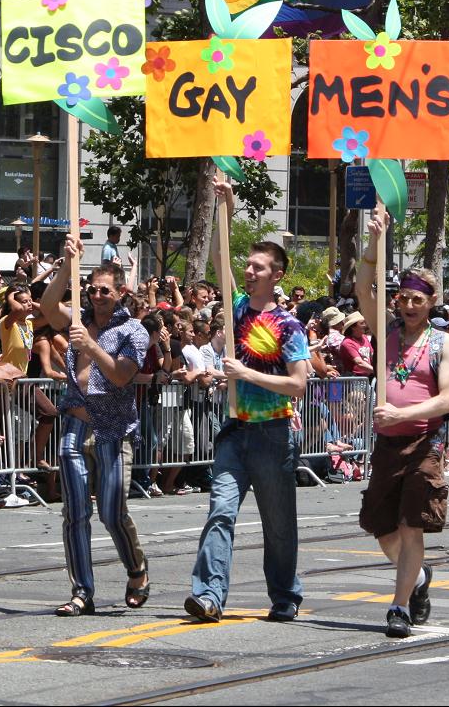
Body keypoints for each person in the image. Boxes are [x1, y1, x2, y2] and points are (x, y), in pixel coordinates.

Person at [186, 176, 310, 625]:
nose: (250, 270)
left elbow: (298, 384)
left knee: (278, 527)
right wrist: (228, 204)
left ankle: (284, 595)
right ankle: (208, 595)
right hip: (234, 431)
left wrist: (246, 373)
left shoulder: (289, 327)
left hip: (274, 433)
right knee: (220, 511)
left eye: (259, 266)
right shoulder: (236, 307)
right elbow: (221, 258)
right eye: (249, 265)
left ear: (277, 275)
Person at [354, 206, 449, 638]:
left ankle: (398, 608)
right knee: (381, 528)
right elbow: (363, 287)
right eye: (404, 298)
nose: (411, 306)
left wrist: (403, 413)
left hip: (425, 443)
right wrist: (374, 244)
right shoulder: (387, 331)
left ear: (431, 301)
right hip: (387, 444)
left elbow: (448, 398)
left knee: (410, 523)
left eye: (419, 299)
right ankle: (417, 578)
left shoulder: (445, 343)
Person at [40, 235, 150, 617]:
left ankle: (136, 570)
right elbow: (47, 306)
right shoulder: (76, 322)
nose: (97, 295)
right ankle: (81, 590)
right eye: (92, 289)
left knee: (111, 511)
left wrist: (90, 345)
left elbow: (121, 376)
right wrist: (69, 265)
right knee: (75, 513)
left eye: (105, 290)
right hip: (74, 423)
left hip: (113, 429)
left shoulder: (134, 331)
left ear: (120, 293)